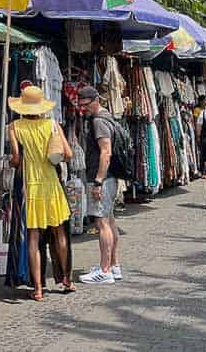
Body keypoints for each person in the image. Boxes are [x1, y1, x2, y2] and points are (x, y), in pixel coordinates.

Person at [7, 86, 75, 300]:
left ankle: (37, 289)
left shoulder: (15, 126)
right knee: (59, 233)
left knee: (33, 237)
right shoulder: (52, 125)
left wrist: (14, 161)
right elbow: (68, 154)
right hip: (52, 185)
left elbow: (16, 159)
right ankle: (67, 280)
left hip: (31, 186)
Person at [77, 86, 122, 285]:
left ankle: (105, 271)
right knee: (110, 221)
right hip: (110, 178)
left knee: (101, 223)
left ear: (95, 100)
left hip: (102, 178)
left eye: (86, 105)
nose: (83, 109)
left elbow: (106, 152)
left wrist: (97, 181)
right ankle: (113, 265)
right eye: (81, 106)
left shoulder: (98, 122)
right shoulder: (108, 117)